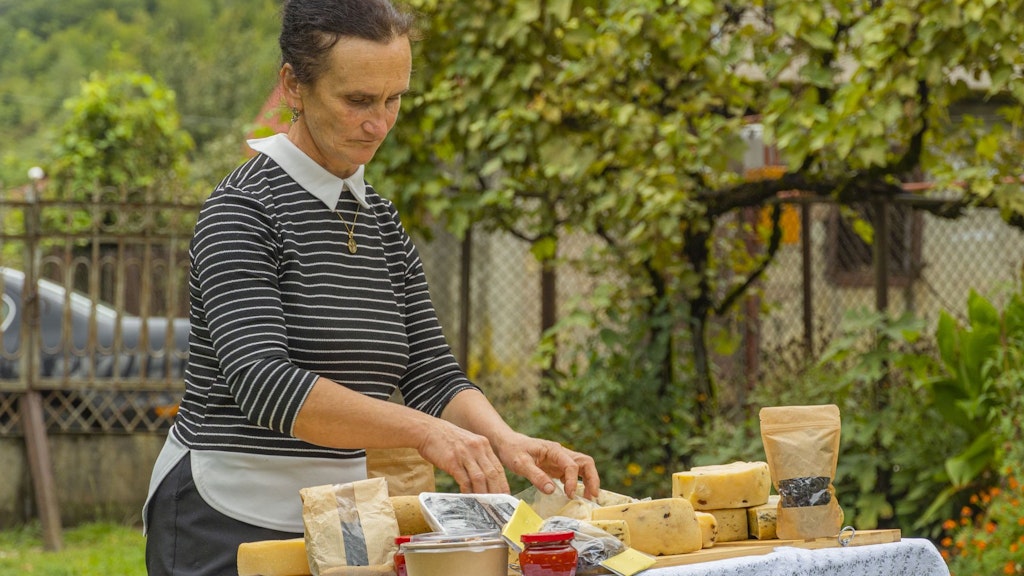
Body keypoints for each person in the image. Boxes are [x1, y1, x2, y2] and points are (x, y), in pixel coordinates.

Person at [143, 0, 600, 574]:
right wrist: (428, 434)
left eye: (393, 99)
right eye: (358, 100)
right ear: (294, 85)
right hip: (226, 516)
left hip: (341, 517)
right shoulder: (242, 210)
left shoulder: (379, 219)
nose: (379, 124)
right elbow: (264, 384)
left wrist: (505, 441)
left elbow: (430, 372)